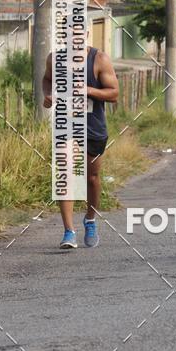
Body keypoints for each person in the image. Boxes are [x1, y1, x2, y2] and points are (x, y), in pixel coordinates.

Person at [42, 38, 119, 249]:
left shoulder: (99, 59)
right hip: (65, 126)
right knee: (65, 174)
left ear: (84, 34)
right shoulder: (55, 58)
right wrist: (48, 95)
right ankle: (69, 232)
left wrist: (88, 90)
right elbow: (47, 79)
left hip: (93, 127)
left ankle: (90, 219)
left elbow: (114, 93)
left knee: (91, 178)